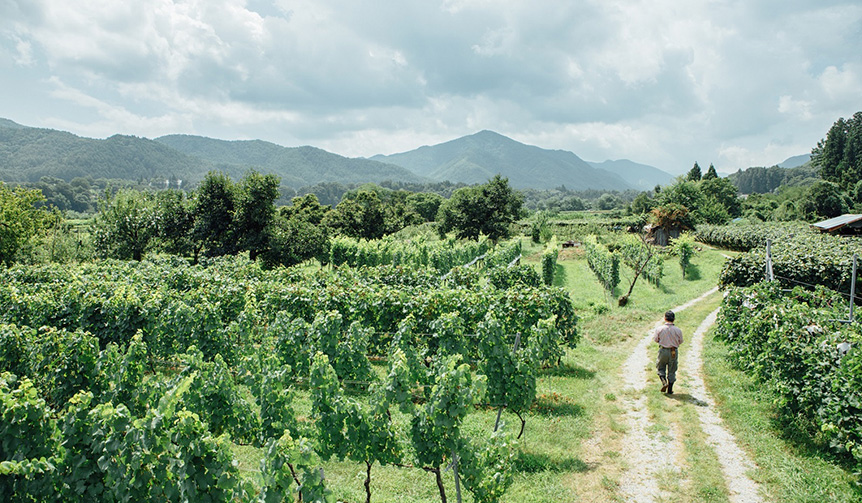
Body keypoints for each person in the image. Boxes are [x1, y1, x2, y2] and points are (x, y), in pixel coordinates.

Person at [654, 310, 683, 394]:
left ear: (665, 318)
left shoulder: (659, 329)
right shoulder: (678, 330)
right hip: (673, 351)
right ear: (674, 319)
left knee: (660, 367)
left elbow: (656, 339)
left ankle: (664, 382)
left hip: (663, 350)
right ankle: (670, 389)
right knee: (672, 369)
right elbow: (680, 341)